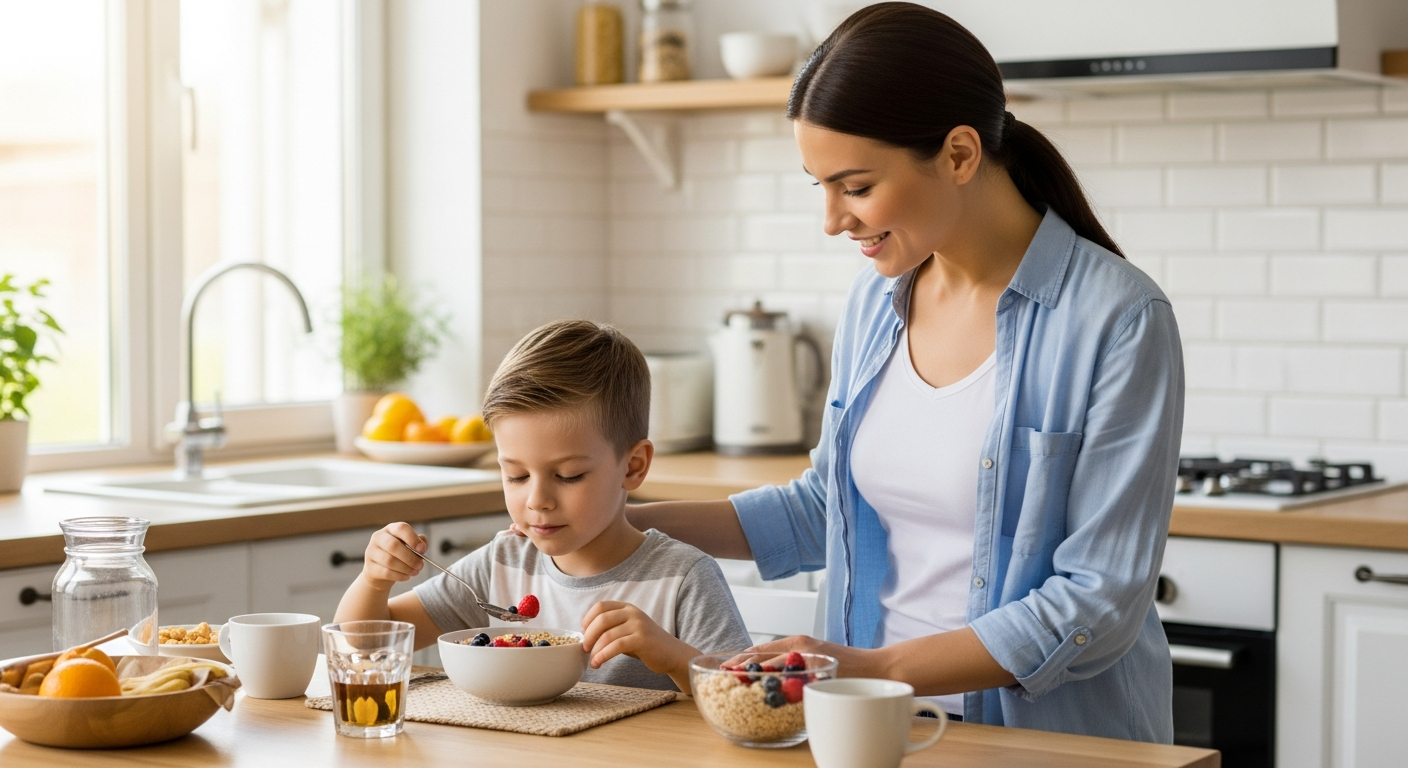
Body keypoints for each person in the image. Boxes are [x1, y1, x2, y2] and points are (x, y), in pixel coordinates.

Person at [629, 2, 1184, 742]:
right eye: (818, 185)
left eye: (855, 187)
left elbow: (1097, 601)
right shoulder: (877, 299)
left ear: (959, 154)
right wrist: (615, 521)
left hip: (1042, 745)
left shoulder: (1116, 318)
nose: (832, 219)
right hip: (871, 735)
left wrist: (872, 665)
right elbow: (823, 509)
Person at [334, 320, 751, 693]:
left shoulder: (683, 579)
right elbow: (364, 642)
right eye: (515, 476)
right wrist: (374, 580)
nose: (537, 500)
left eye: (568, 475)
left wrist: (675, 658)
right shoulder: (502, 564)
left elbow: (742, 697)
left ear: (634, 466)